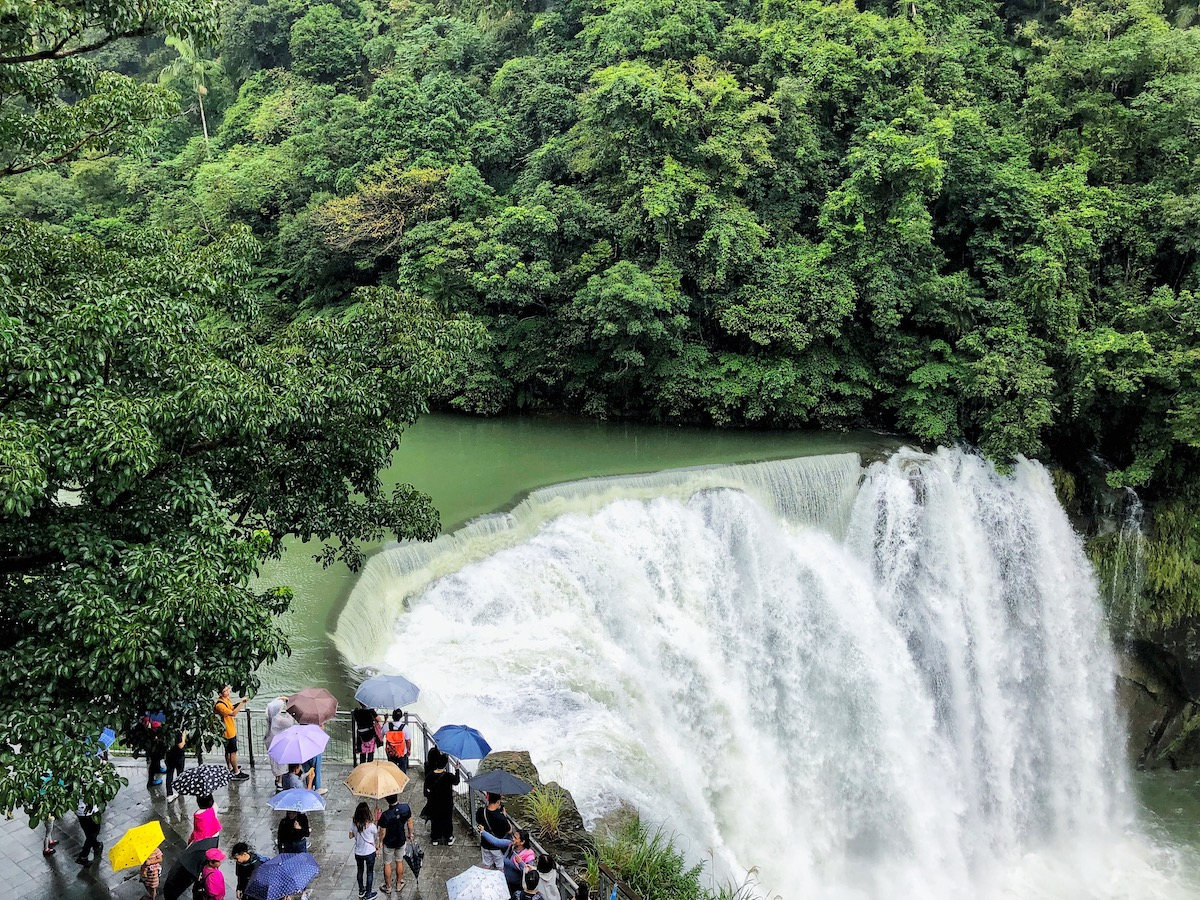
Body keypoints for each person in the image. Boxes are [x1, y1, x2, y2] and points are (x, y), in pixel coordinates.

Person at [478, 826, 535, 896]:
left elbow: (529, 873)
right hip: (504, 880)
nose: (513, 839)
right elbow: (496, 841)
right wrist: (483, 832)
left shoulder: (528, 855)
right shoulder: (510, 845)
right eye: (513, 836)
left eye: (515, 838)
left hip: (516, 886)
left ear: (522, 842)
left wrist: (520, 863)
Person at [378, 792, 413, 895]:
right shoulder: (405, 808)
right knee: (399, 861)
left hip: (388, 842)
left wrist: (380, 842)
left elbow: (382, 831)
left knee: (387, 863)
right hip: (400, 840)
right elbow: (410, 823)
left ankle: (388, 886)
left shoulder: (385, 815)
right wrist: (411, 834)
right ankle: (398, 884)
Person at [423, 749, 460, 846]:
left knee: (435, 819)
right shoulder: (448, 776)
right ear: (445, 765)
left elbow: (426, 790)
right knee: (447, 819)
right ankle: (448, 837)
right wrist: (457, 769)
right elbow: (456, 781)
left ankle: (435, 838)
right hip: (446, 802)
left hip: (434, 802)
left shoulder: (430, 776)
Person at [215, 685, 250, 779]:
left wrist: (240, 703)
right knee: (233, 752)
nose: (228, 692)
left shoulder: (226, 700)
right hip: (227, 732)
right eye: (225, 691)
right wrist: (242, 703)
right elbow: (233, 713)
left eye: (228, 690)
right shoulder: (220, 705)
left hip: (230, 729)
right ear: (220, 694)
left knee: (229, 752)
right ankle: (236, 772)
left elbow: (231, 707)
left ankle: (231, 767)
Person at [350, 801, 379, 900]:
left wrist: (357, 832)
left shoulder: (354, 824)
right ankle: (369, 893)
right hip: (369, 852)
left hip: (358, 852)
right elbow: (376, 831)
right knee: (369, 872)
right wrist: (375, 818)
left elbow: (350, 836)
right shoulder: (370, 825)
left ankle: (361, 890)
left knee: (360, 871)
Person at [476, 792, 511, 869]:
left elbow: (478, 822)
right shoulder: (501, 817)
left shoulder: (481, 811)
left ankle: (485, 879)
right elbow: (509, 830)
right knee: (500, 867)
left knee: (486, 865)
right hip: (497, 847)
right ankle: (499, 880)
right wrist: (505, 817)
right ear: (498, 802)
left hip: (484, 844)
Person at [264, 697, 293, 791]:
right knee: (280, 764)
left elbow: (270, 705)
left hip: (270, 742)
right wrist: (289, 710)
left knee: (275, 762)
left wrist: (279, 698)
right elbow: (289, 723)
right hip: (279, 744)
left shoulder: (269, 715)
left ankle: (277, 779)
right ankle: (280, 783)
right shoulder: (279, 720)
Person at [75, 798, 102, 866]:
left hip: (80, 812)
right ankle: (83, 856)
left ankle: (95, 844)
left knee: (88, 832)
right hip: (89, 812)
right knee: (93, 833)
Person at [165, 727, 188, 802]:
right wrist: (184, 736)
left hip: (169, 756)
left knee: (169, 774)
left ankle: (169, 794)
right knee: (180, 774)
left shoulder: (166, 730)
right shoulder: (178, 731)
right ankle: (180, 790)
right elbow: (181, 745)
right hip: (178, 756)